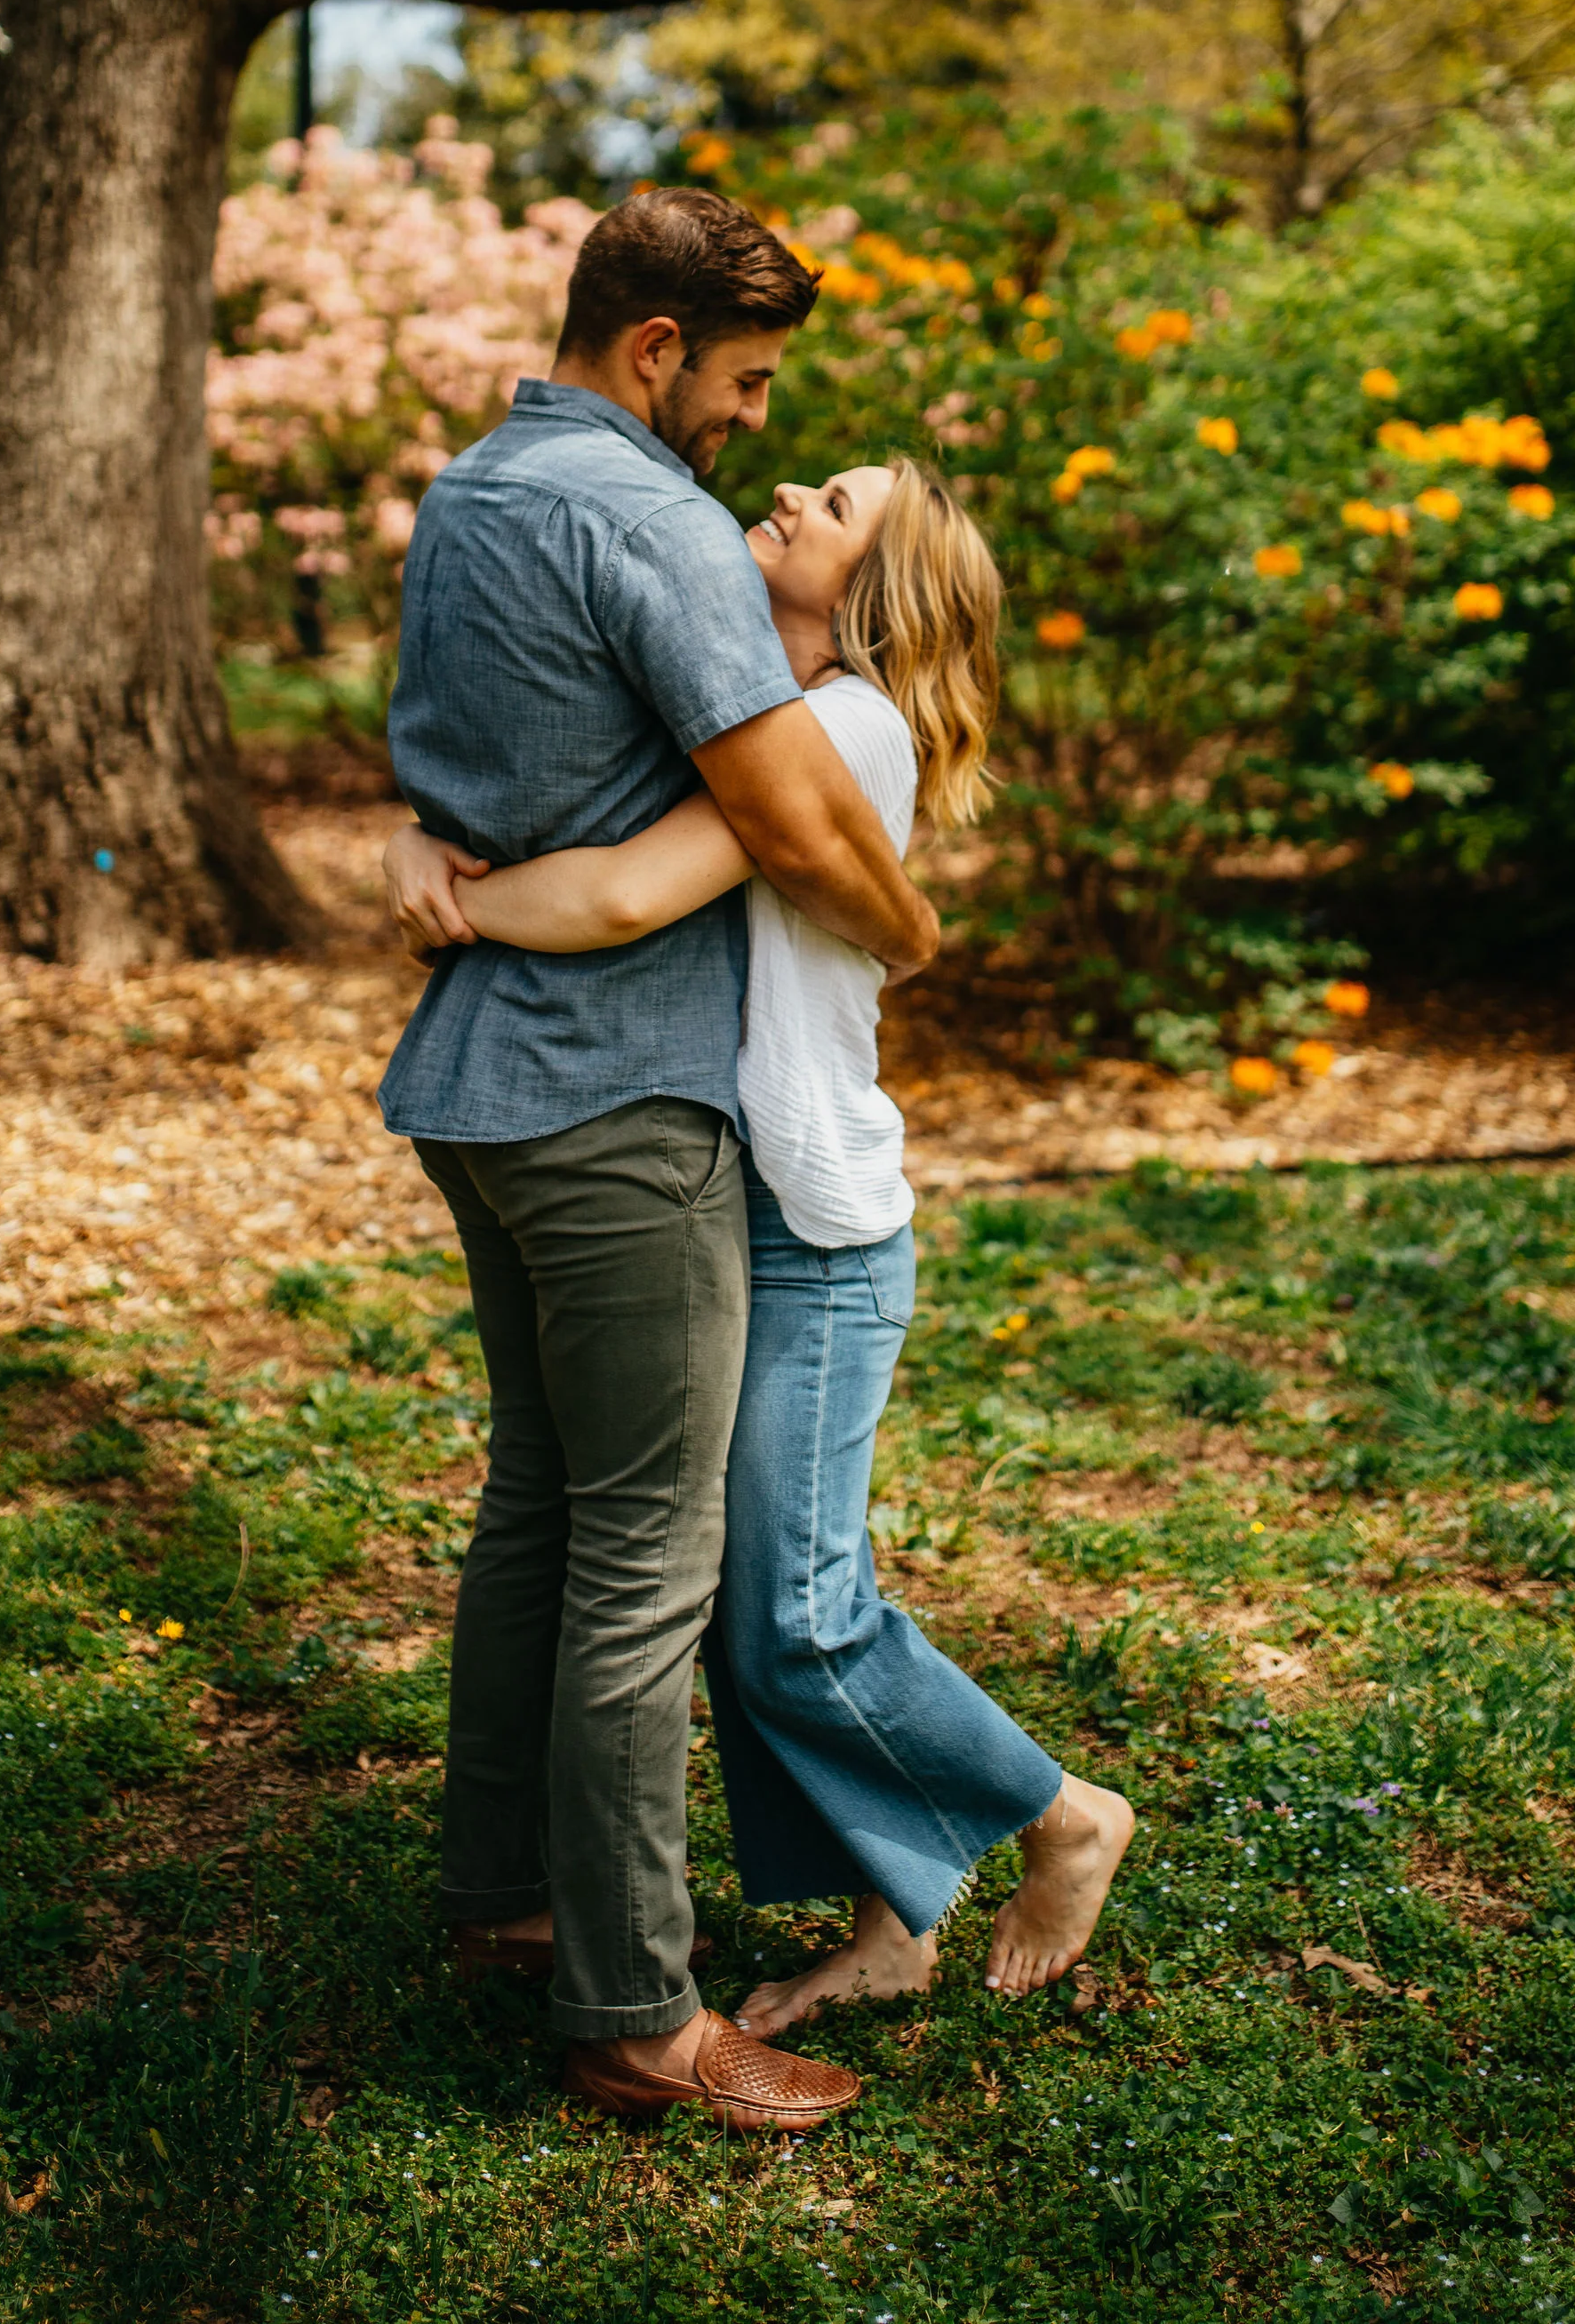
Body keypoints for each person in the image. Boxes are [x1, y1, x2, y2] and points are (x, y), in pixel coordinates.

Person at [390, 454, 1135, 2039]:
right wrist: (418, 833)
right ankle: (894, 1921)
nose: (791, 487)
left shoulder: (846, 729)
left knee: (794, 1616)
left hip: (818, 1236)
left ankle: (1064, 1816)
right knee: (756, 1603)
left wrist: (449, 896)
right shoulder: (769, 719)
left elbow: (619, 893)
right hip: (745, 1213)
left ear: (879, 597)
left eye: (839, 505)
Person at [377, 185, 938, 2136]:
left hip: (476, 1089)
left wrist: (424, 859)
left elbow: (466, 768)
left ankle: (503, 1892)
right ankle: (635, 2010)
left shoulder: (471, 493)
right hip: (615, 1101)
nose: (753, 424)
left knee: (539, 1500)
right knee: (643, 1551)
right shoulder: (655, 522)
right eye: (747, 380)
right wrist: (917, 933)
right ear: (655, 350)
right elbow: (791, 814)